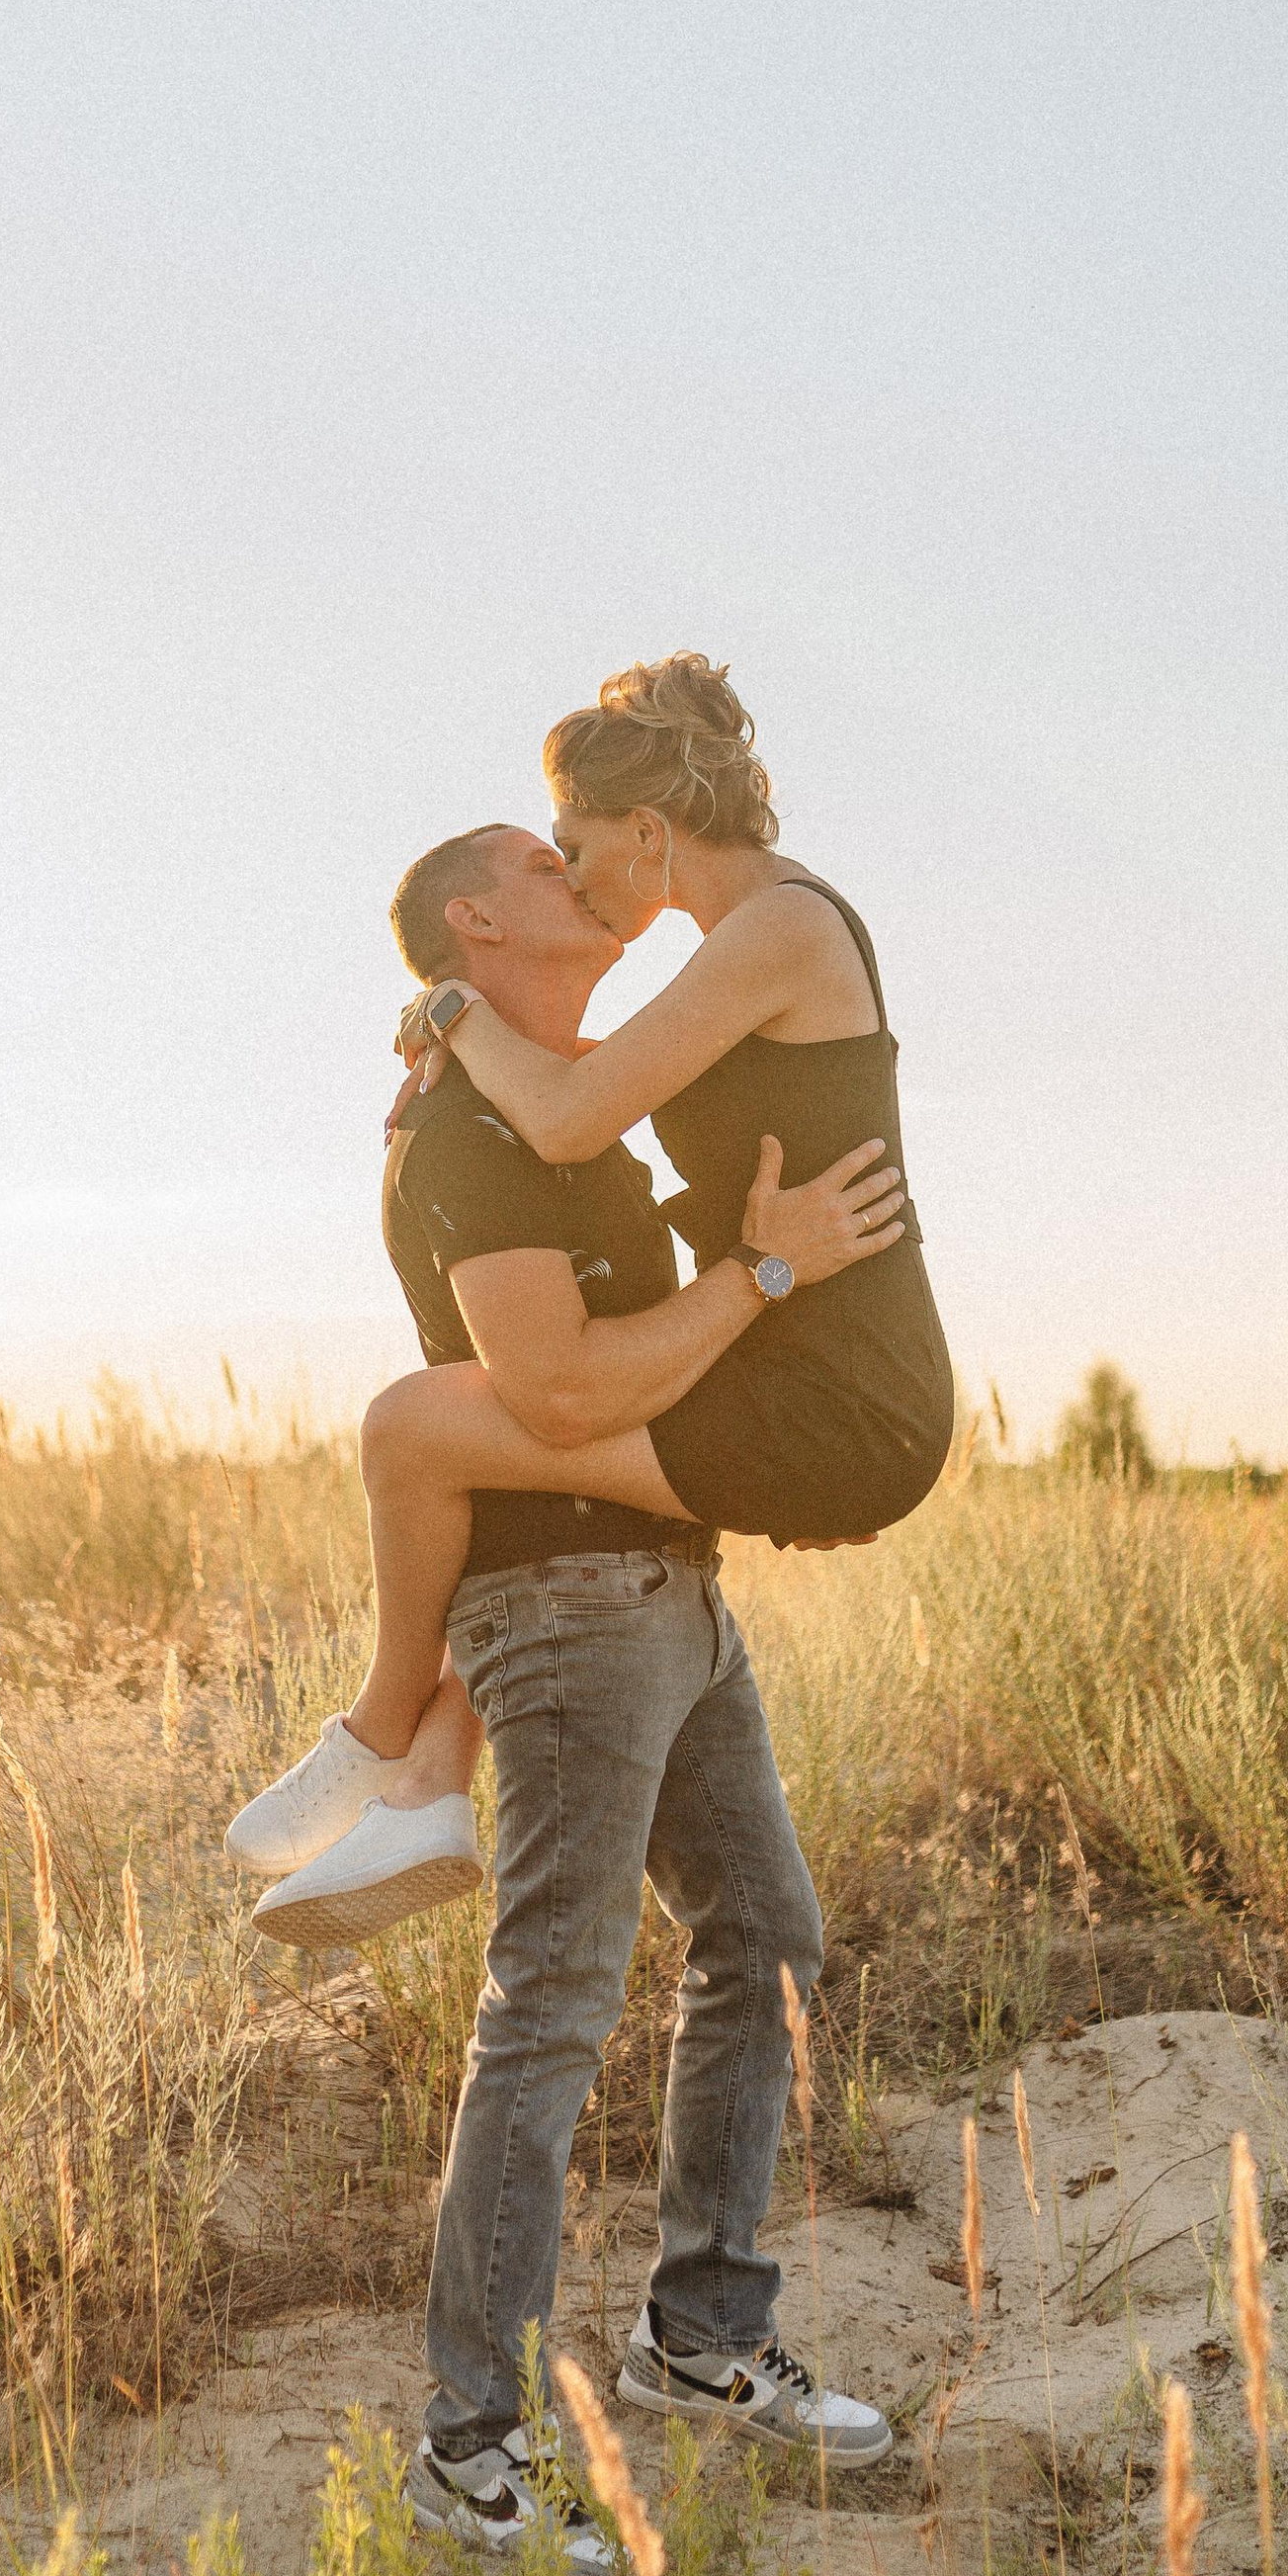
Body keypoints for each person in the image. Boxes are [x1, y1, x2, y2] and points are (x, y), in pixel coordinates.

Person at [238, 810, 900, 2571]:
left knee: (762, 1934)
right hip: (569, 1607)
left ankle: (701, 2334)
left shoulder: (547, 1095)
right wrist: (765, 1278)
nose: (584, 886)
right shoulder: (472, 1136)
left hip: (670, 1588)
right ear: (474, 918)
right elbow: (555, 1397)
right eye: (548, 868)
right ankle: (472, 2438)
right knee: (551, 2006)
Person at [234, 652, 954, 1917]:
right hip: (806, 1369)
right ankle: (421, 1786)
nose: (571, 870)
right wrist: (455, 1043)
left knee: (415, 1428)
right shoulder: (747, 941)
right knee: (498, 1450)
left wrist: (453, 1011)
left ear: (646, 829)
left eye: (571, 842)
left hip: (840, 1391)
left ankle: (383, 1741)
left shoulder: (778, 930)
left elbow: (564, 1115)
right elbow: (568, 1085)